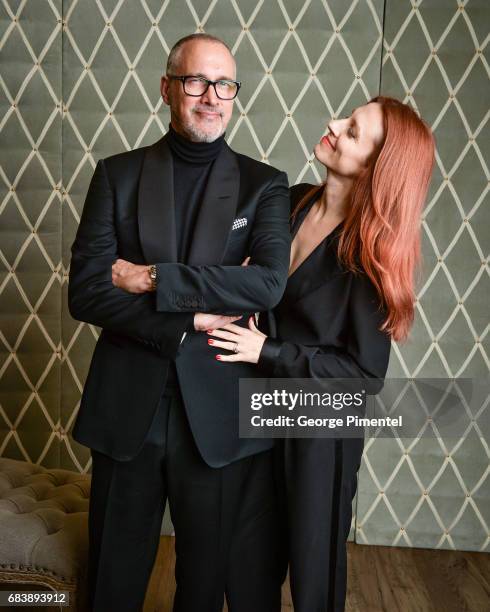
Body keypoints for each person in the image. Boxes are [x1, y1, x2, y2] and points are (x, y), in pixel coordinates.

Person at [68, 33, 290, 611]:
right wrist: (191, 318)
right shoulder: (116, 175)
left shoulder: (263, 184)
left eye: (224, 85)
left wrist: (153, 279)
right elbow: (88, 293)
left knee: (202, 585)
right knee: (112, 584)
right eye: (196, 81)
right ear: (167, 88)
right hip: (126, 412)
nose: (210, 96)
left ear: (234, 94)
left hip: (217, 418)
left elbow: (267, 283)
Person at [207, 96, 435, 611]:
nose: (333, 125)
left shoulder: (370, 257)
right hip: (255, 415)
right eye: (344, 118)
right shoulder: (289, 202)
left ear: (378, 167)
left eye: (352, 131)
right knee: (246, 563)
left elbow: (365, 376)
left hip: (320, 434)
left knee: (314, 580)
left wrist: (267, 351)